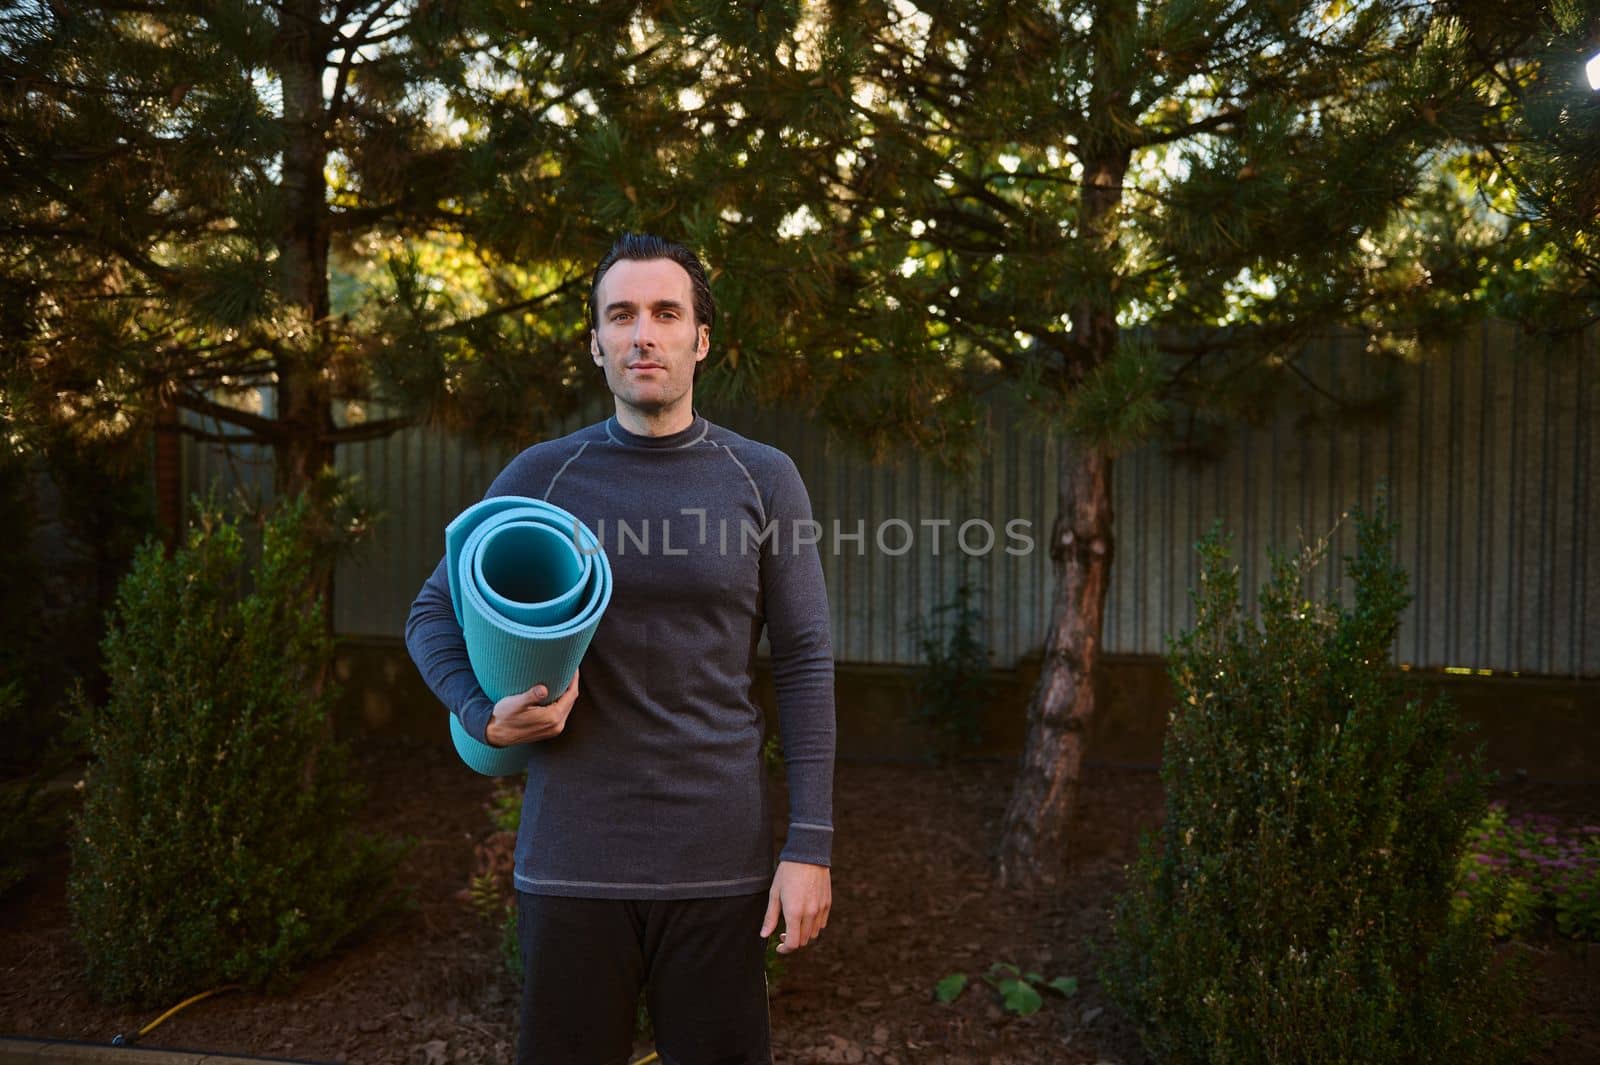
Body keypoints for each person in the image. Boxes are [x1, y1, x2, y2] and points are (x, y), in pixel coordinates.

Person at [405, 233, 835, 1065]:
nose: (644, 333)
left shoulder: (761, 476)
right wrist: (480, 714)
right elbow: (431, 610)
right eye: (622, 314)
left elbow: (807, 659)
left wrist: (809, 844)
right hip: (573, 859)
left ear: (700, 340)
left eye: (666, 313)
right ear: (595, 341)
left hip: (719, 863)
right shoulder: (544, 474)